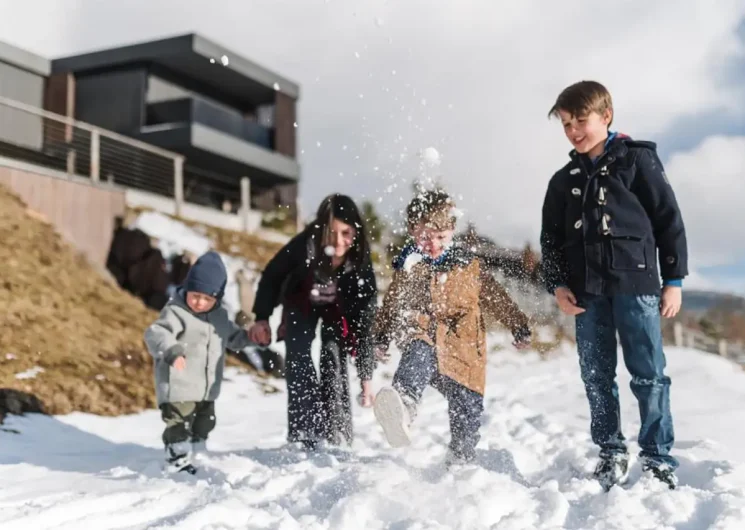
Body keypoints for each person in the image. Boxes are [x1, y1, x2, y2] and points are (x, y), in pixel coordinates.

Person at [540, 80, 688, 490]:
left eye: (580, 121)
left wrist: (673, 279)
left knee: (648, 375)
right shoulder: (562, 180)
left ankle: (658, 457)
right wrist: (557, 285)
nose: (573, 131)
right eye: (566, 124)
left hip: (636, 285)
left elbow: (668, 220)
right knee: (596, 375)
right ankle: (611, 450)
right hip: (586, 293)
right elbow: (550, 239)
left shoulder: (638, 161)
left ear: (606, 116)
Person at [371, 189, 532, 466]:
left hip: (465, 350)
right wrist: (382, 335)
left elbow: (496, 297)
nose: (432, 244)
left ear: (452, 231)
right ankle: (404, 406)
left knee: (467, 409)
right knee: (418, 350)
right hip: (427, 336)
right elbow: (392, 302)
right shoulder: (409, 265)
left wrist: (518, 325)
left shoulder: (469, 266)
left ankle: (460, 460)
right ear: (412, 231)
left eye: (440, 237)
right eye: (424, 237)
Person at [248, 194, 377, 450]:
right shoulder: (305, 244)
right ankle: (305, 431)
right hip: (301, 301)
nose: (339, 241)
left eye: (346, 233)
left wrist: (366, 376)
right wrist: (261, 317)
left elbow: (364, 316)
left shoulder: (359, 258)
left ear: (356, 231)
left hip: (337, 310)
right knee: (298, 351)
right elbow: (273, 275)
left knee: (333, 353)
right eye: (332, 232)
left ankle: (336, 431)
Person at [144, 251, 255, 474]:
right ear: (187, 288)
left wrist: (253, 337)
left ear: (217, 298)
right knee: (179, 423)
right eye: (195, 295)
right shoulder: (176, 312)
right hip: (178, 385)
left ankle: (198, 453)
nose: (200, 302)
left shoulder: (220, 317)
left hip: (206, 388)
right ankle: (178, 457)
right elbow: (156, 332)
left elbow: (233, 338)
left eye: (208, 299)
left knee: (204, 423)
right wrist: (172, 351)